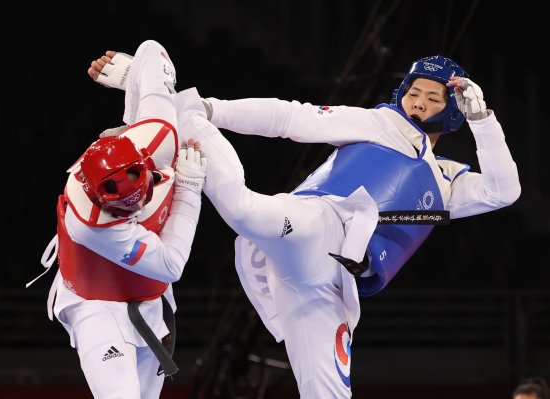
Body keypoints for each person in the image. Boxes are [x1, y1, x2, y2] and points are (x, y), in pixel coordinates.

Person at [89, 47, 521, 398]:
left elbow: (505, 191)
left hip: (328, 286)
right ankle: (171, 103)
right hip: (317, 223)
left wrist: (484, 122)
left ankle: (168, 107)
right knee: (242, 210)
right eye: (415, 91)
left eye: (433, 98)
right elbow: (290, 118)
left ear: (451, 112)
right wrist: (208, 107)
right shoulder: (381, 122)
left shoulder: (448, 182)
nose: (419, 102)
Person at [32, 40, 207, 399]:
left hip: (149, 298)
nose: (135, 212)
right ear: (97, 197)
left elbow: (153, 51)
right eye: (123, 211)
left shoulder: (157, 136)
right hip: (96, 301)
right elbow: (171, 264)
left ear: (146, 165)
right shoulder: (92, 223)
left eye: (138, 200)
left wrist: (133, 80)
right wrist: (188, 188)